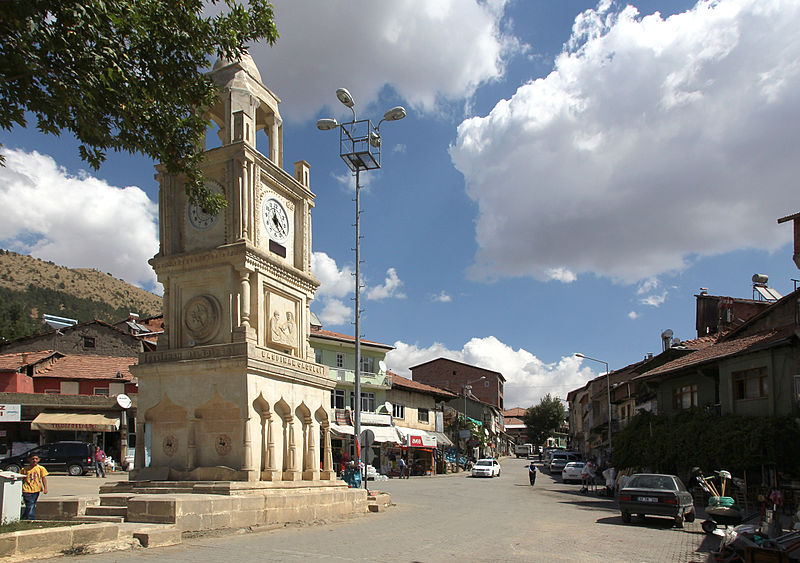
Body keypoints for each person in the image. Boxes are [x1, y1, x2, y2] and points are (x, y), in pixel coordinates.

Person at [20, 454, 48, 520]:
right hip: (26, 489)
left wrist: (45, 488)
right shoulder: (25, 469)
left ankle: (24, 517)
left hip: (36, 489)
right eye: (32, 459)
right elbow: (22, 479)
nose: (34, 460)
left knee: (32, 504)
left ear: (38, 460)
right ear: (29, 459)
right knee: (30, 503)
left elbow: (43, 478)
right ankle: (31, 519)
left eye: (36, 459)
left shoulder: (41, 468)